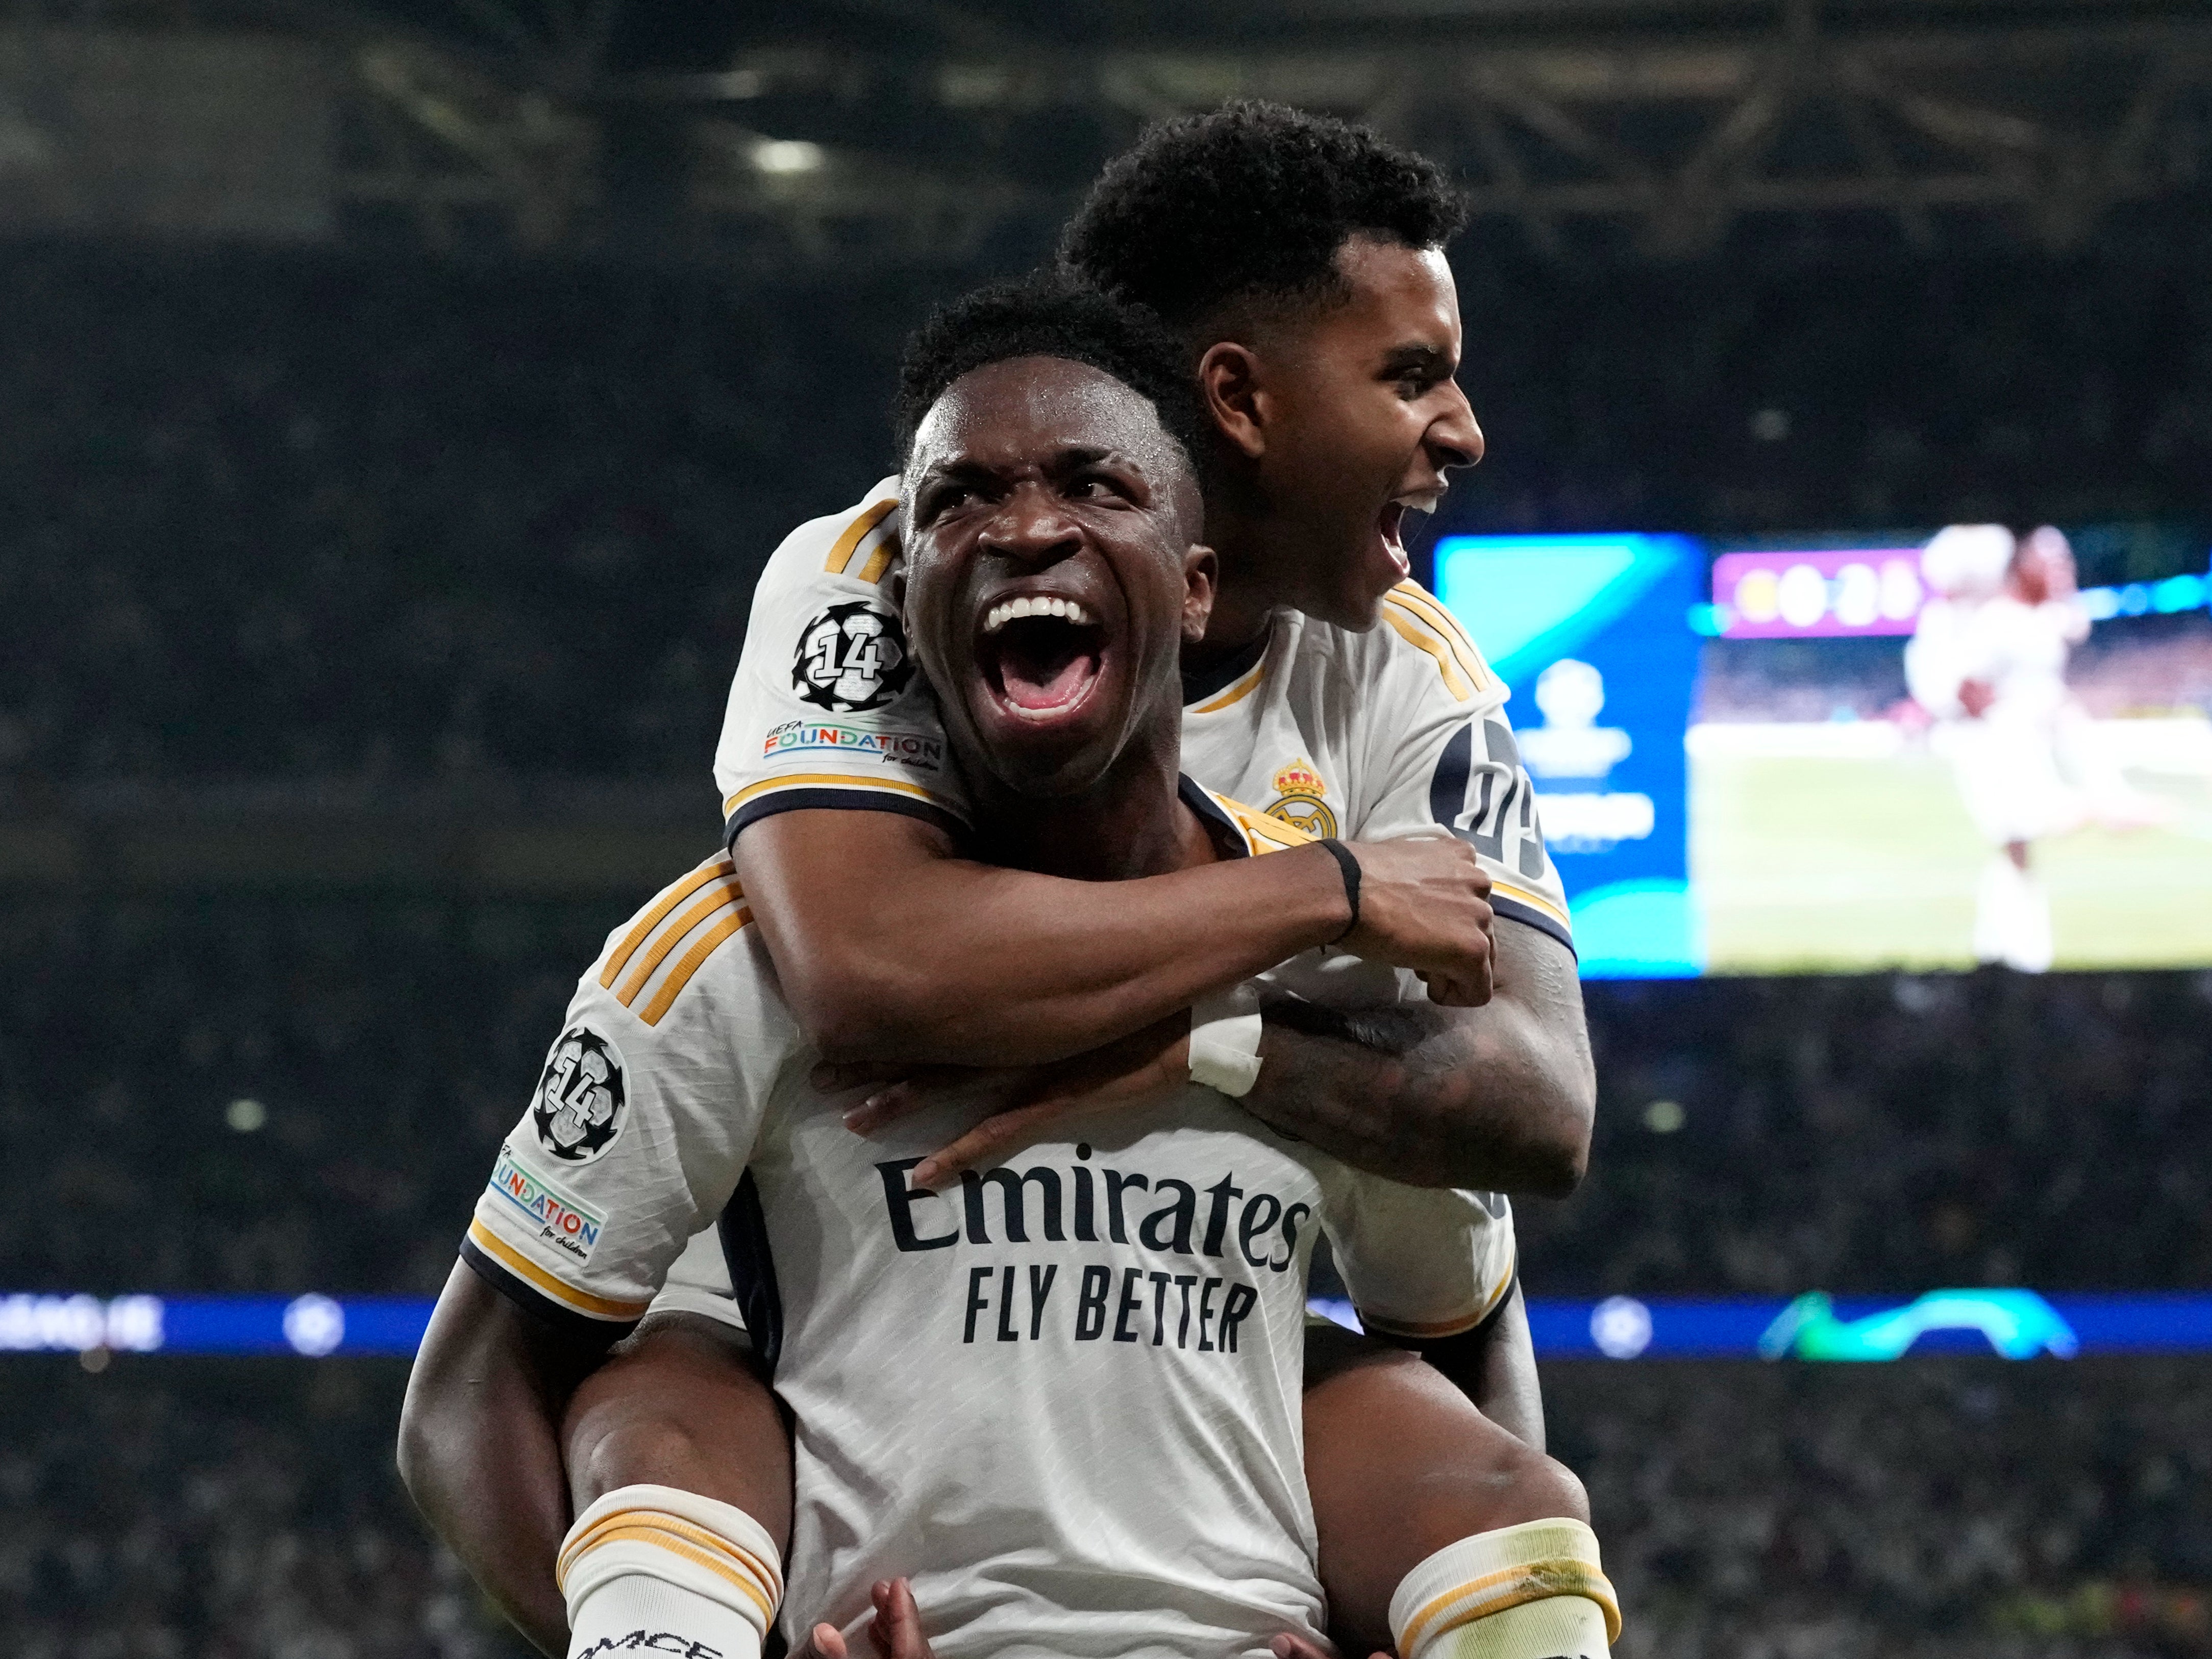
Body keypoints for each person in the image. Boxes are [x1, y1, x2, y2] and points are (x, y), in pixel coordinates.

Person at [400, 289, 1618, 1659]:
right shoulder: (735, 952)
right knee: (657, 1402)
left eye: (1095, 484)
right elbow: (470, 1390)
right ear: (905, 600)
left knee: (1515, 1519)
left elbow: (1467, 1359)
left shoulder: (1341, 988)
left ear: (1200, 581)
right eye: (960, 500)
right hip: (876, 1627)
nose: (1028, 526)